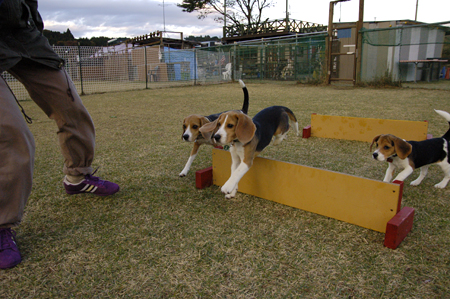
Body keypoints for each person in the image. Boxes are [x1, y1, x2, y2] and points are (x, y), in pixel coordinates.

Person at [0, 0, 120, 269]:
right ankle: (1, 224)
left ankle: (77, 177)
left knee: (72, 109)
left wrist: (31, 20)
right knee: (11, 134)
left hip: (23, 33)